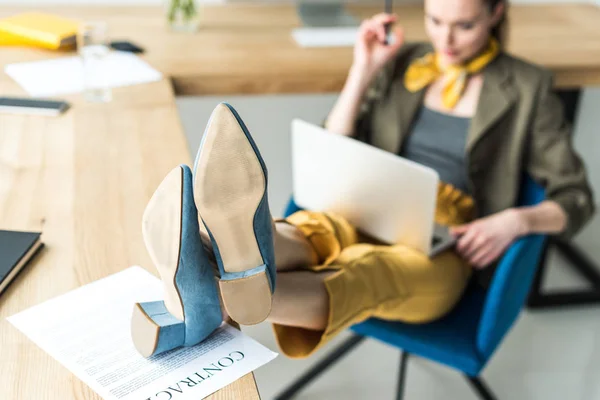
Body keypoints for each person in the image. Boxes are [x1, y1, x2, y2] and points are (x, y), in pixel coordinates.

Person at [133, 0, 594, 360]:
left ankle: (212, 281)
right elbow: (337, 143)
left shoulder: (527, 86)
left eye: (464, 25)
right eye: (435, 20)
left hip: (448, 241)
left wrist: (515, 221)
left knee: (369, 268)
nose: (446, 39)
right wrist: (364, 68)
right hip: (376, 199)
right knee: (316, 229)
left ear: (496, 12)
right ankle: (229, 264)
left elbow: (576, 197)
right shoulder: (404, 61)